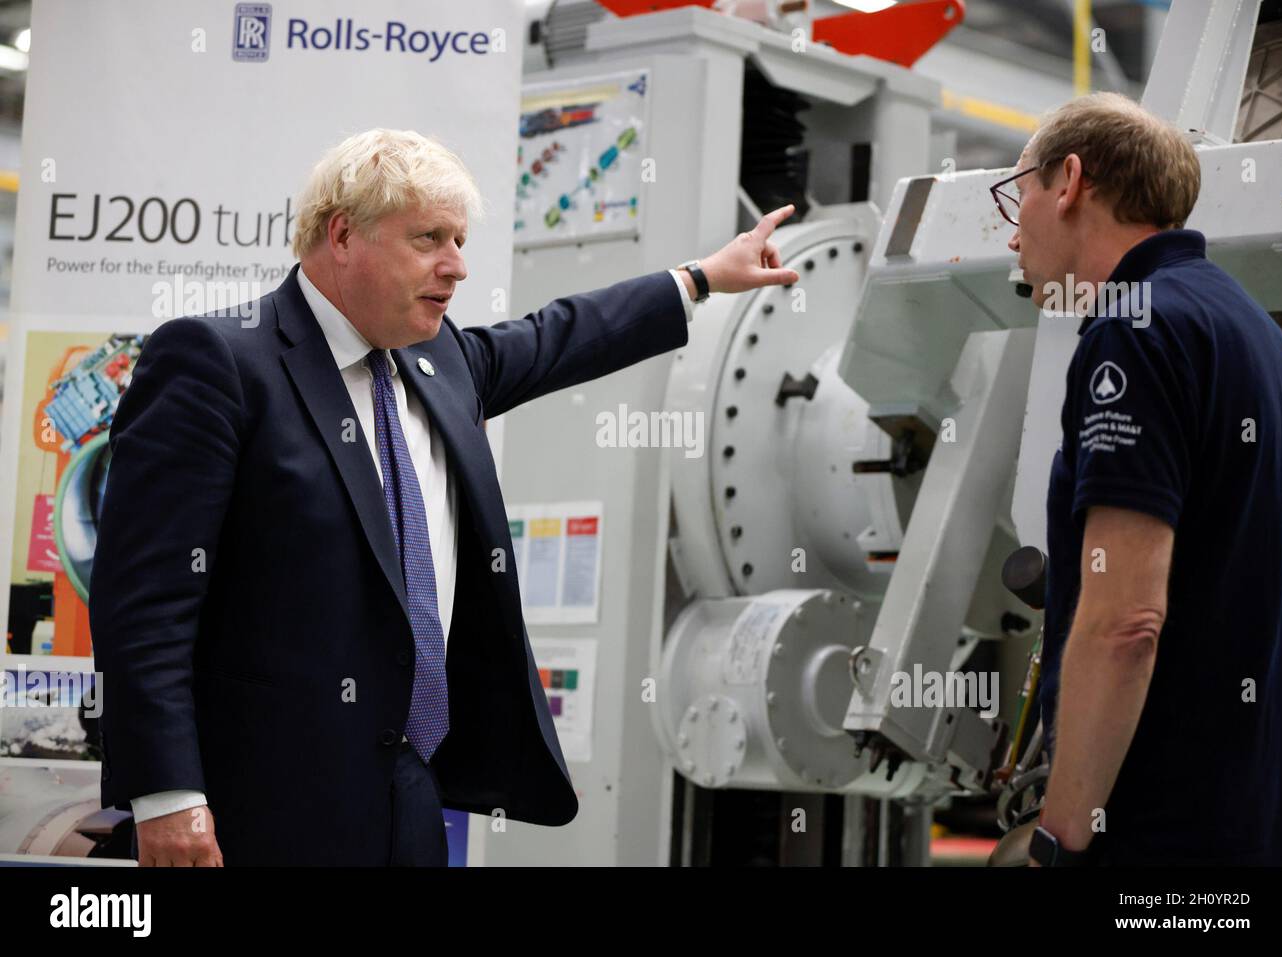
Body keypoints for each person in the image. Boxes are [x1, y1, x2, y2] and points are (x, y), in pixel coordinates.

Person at [90, 128, 799, 866]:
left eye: (459, 240)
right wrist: (167, 797)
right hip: (257, 810)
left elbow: (558, 336)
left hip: (411, 798)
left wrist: (702, 277)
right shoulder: (219, 362)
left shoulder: (440, 358)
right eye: (429, 238)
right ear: (341, 235)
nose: (456, 266)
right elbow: (144, 603)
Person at [992, 92, 1282, 866]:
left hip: (1162, 834)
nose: (1011, 226)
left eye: (1016, 189)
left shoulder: (1135, 330)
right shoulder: (1255, 330)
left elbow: (1127, 621)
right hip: (1254, 818)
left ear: (1068, 181)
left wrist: (1059, 839)